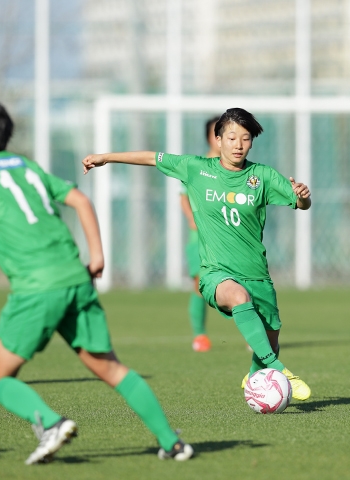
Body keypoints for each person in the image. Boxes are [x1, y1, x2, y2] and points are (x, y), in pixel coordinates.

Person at [0, 100, 193, 464]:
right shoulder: (26, 165)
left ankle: (51, 424)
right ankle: (172, 442)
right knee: (110, 367)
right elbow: (80, 201)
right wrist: (97, 256)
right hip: (75, 276)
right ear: (7, 135)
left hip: (36, 288)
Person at [82, 107, 313, 401]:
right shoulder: (196, 168)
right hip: (216, 273)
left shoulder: (262, 176)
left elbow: (300, 202)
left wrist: (303, 197)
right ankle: (281, 371)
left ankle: (256, 377)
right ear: (217, 139)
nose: (238, 145)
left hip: (258, 275)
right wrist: (106, 157)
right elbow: (152, 157)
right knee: (238, 297)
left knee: (269, 340)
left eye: (245, 138)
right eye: (231, 137)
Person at [182, 115, 220, 352]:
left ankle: (252, 335)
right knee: (200, 285)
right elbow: (182, 195)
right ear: (210, 137)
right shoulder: (196, 166)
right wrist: (192, 219)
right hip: (200, 239)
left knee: (243, 283)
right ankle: (200, 335)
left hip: (229, 238)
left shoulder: (238, 169)